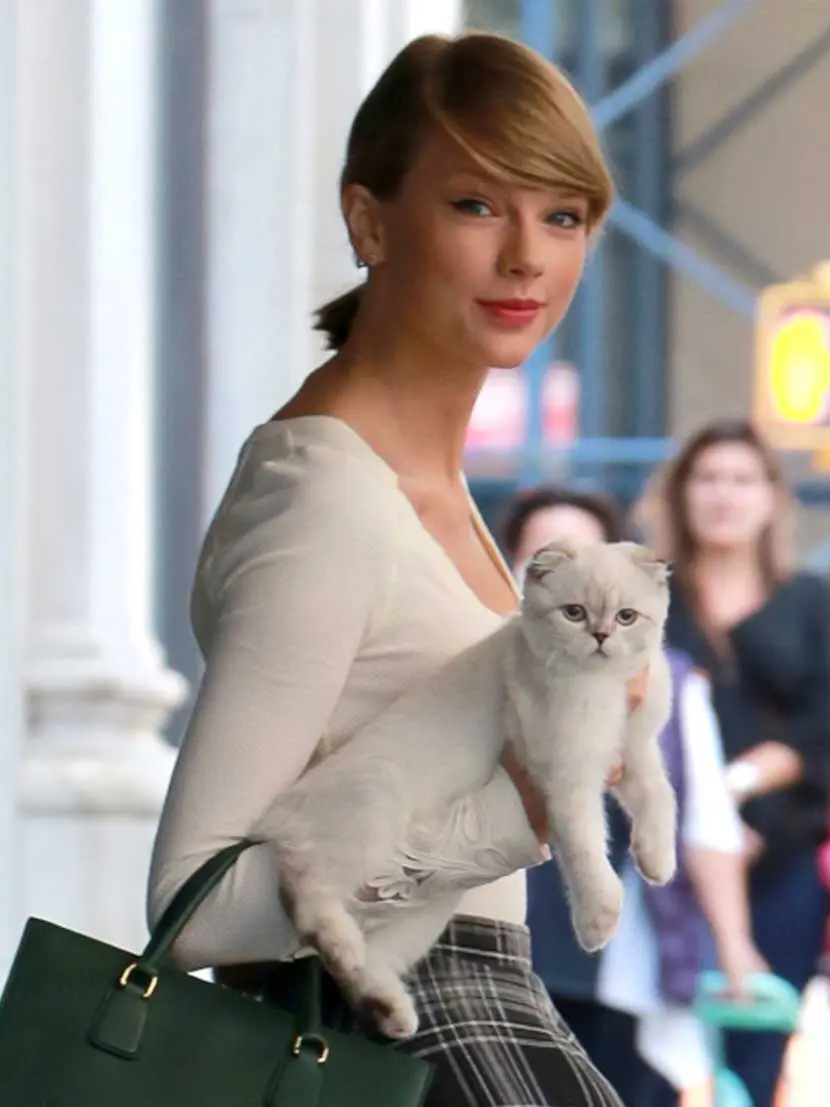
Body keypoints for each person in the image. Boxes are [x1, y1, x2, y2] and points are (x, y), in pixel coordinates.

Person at [147, 31, 630, 1107]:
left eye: (561, 215)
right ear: (369, 219)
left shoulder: (424, 485)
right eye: (475, 205)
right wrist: (515, 814)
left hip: (477, 1014)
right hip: (392, 1035)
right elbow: (195, 901)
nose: (526, 258)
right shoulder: (327, 497)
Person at [501, 486, 767, 1107]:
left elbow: (704, 826)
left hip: (618, 967)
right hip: (492, 954)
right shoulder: (477, 671)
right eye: (547, 556)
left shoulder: (668, 679)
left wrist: (733, 945)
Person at [645, 418, 830, 1107]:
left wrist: (728, 794)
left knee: (757, 1057)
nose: (723, 495)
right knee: (653, 1063)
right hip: (661, 868)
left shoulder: (809, 599)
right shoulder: (649, 596)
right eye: (707, 478)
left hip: (783, 859)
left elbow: (819, 733)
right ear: (681, 493)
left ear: (771, 496)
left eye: (741, 479)